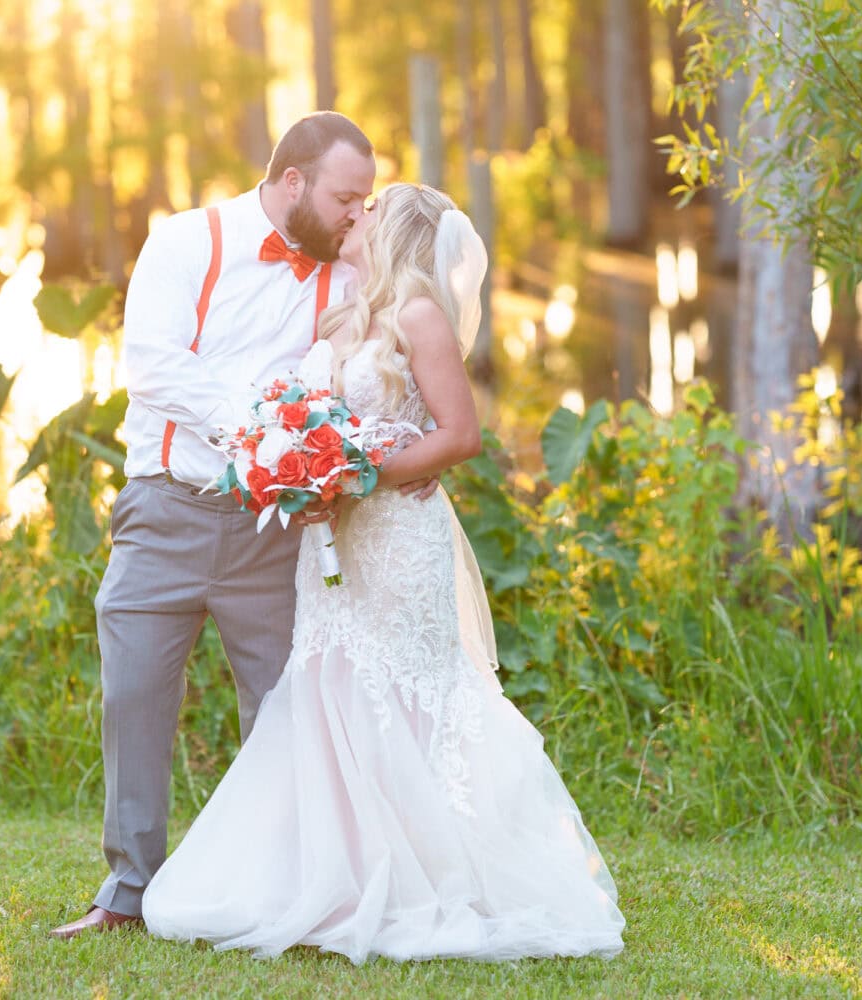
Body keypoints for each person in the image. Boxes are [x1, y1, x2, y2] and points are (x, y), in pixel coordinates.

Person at [139, 184, 627, 963]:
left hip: (398, 540)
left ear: (391, 227)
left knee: (403, 693)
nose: (353, 215)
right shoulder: (342, 317)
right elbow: (318, 423)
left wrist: (362, 472)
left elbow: (461, 434)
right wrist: (297, 475)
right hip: (331, 544)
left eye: (368, 207)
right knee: (329, 686)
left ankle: (432, 877)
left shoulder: (418, 316)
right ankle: (340, 875)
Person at [49, 112, 378, 938]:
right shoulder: (184, 242)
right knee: (133, 697)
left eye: (366, 201)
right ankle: (127, 891)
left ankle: (286, 891)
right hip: (165, 509)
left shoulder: (347, 273)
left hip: (275, 530)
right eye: (346, 197)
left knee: (283, 710)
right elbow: (155, 367)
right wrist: (257, 431)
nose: (356, 215)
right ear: (293, 182)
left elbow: (348, 380)